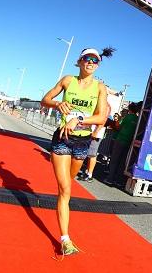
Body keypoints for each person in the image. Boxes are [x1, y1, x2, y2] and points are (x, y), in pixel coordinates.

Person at [41, 47, 114, 256]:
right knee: (65, 189)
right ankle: (65, 239)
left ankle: (61, 205)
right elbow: (45, 100)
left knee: (67, 188)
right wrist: (58, 104)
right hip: (63, 138)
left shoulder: (100, 87)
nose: (90, 62)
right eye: (86, 59)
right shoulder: (67, 80)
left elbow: (101, 117)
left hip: (82, 143)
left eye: (95, 60)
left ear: (97, 65)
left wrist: (79, 119)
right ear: (79, 62)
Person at [104, 102, 140, 186]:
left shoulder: (127, 117)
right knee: (122, 161)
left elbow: (119, 127)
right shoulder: (138, 119)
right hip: (129, 142)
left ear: (130, 109)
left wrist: (115, 124)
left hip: (120, 140)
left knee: (114, 160)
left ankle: (110, 178)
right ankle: (118, 180)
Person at [77, 103, 111, 182]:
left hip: (96, 134)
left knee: (92, 154)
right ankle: (86, 172)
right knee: (88, 154)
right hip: (90, 131)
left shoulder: (106, 106)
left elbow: (103, 120)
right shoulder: (99, 103)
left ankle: (89, 175)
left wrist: (96, 132)